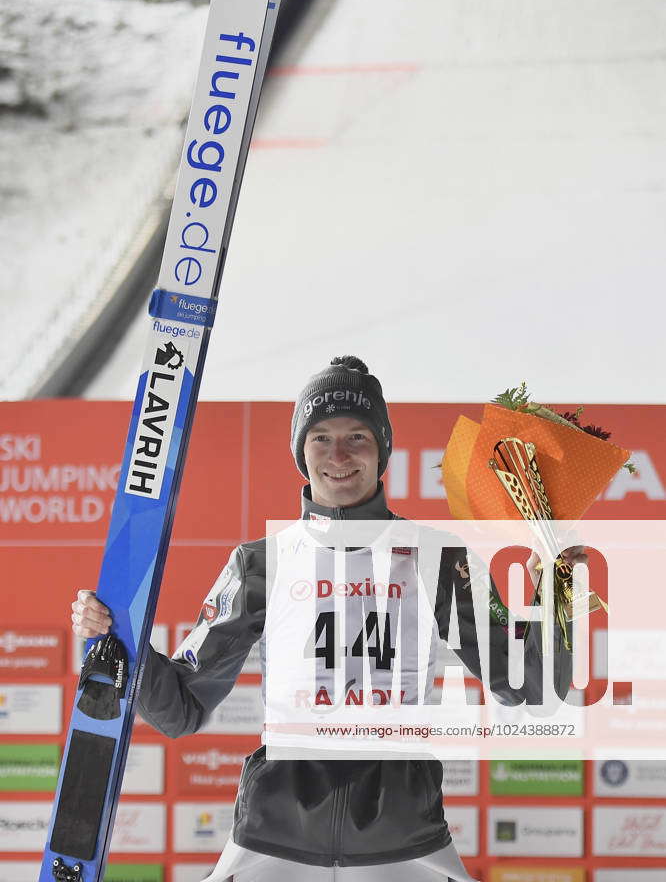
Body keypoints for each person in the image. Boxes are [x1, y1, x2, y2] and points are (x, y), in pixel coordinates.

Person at [73, 356, 580, 881]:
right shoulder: (261, 563)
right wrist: (116, 637)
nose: (338, 455)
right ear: (301, 452)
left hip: (405, 847)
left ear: (382, 449)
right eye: (320, 437)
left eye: (357, 436)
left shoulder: (439, 558)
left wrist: (563, 593)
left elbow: (531, 686)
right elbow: (180, 710)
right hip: (272, 846)